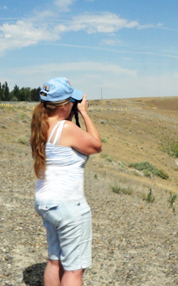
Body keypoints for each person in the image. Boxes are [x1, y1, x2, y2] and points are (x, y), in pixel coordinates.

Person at [29, 77, 101, 286]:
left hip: (47, 202)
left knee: (55, 261)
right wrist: (85, 114)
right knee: (74, 270)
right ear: (64, 106)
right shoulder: (65, 128)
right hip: (68, 205)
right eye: (72, 101)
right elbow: (96, 145)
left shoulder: (40, 125)